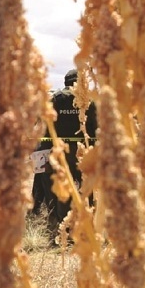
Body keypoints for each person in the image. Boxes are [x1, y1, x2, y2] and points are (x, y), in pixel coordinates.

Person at [38, 68, 97, 228]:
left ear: (65, 82)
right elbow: (96, 127)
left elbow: (45, 126)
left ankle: (64, 227)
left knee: (63, 188)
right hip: (84, 152)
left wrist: (44, 151)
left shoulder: (56, 99)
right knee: (86, 188)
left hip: (60, 152)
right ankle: (86, 226)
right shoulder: (89, 100)